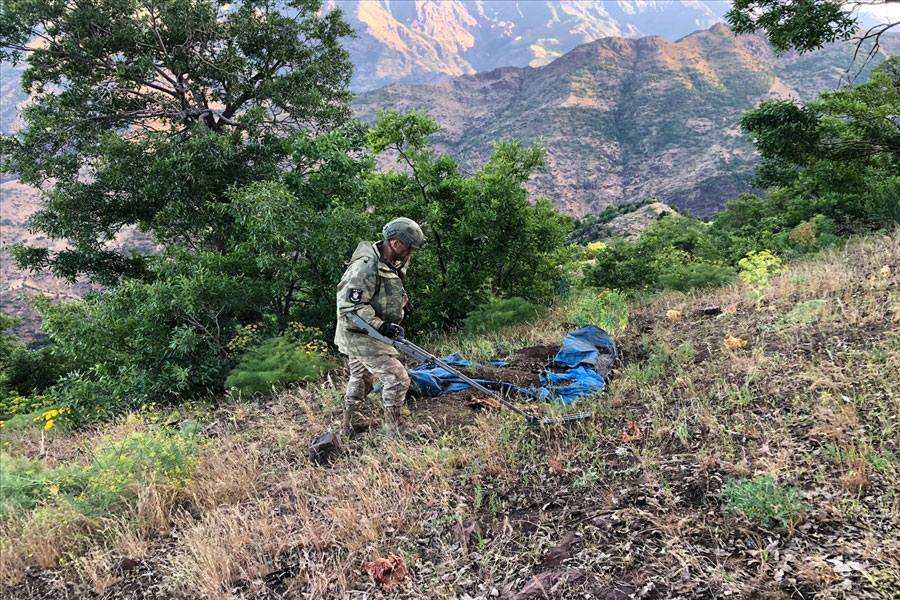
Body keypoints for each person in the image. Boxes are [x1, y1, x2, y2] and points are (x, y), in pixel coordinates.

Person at [335, 218, 426, 438]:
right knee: (397, 378)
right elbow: (351, 306)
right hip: (360, 331)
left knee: (360, 377)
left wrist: (403, 301)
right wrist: (380, 326)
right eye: (410, 248)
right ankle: (396, 431)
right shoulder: (365, 267)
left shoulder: (392, 259)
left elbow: (389, 285)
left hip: (368, 329)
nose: (411, 252)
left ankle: (350, 424)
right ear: (396, 243)